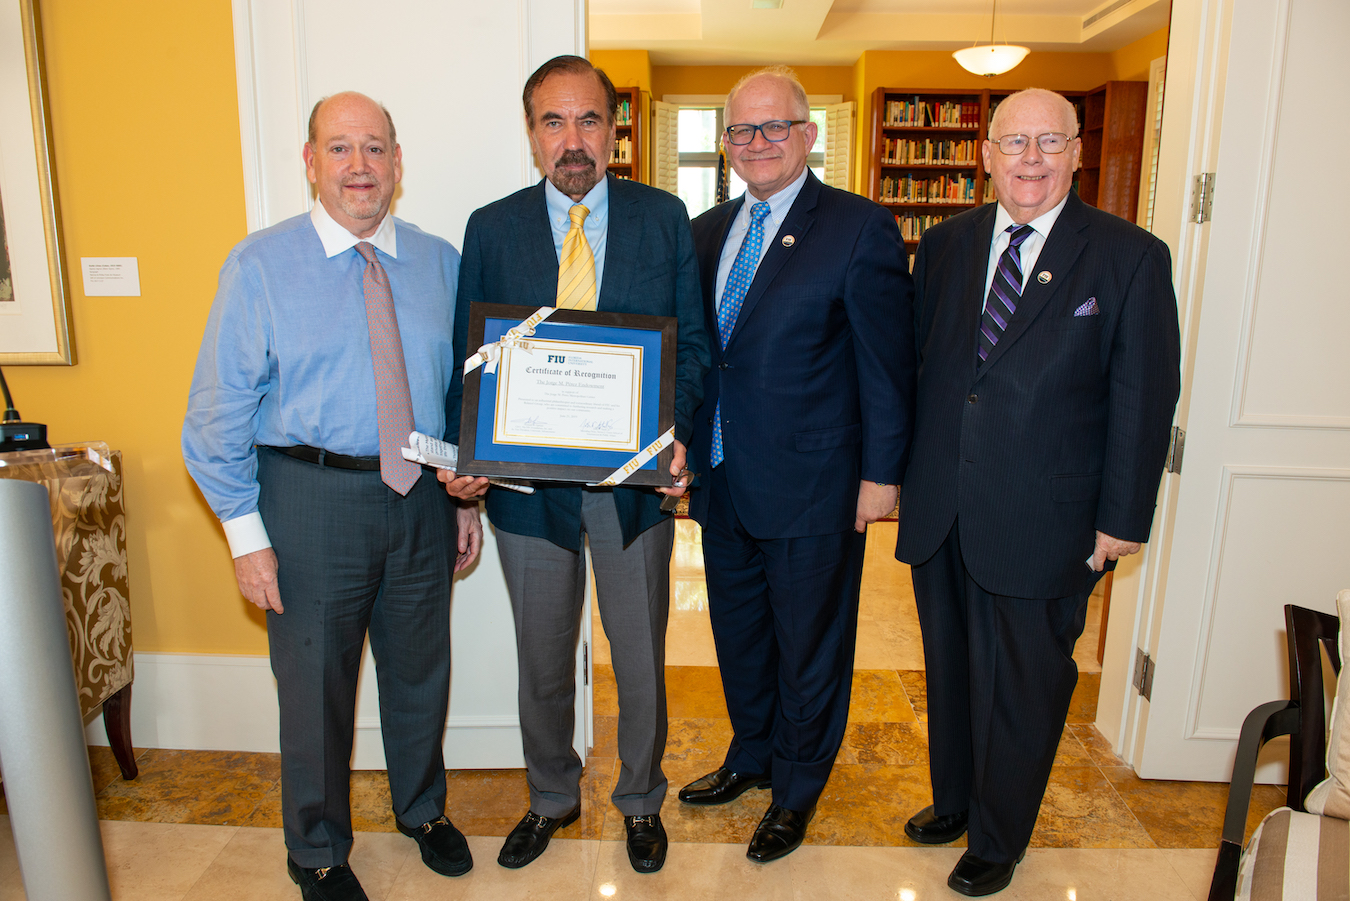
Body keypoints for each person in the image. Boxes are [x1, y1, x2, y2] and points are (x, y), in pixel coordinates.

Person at [183, 91, 481, 901]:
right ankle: (315, 845)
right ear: (311, 162)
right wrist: (247, 537)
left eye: (376, 148)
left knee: (422, 669)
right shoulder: (259, 265)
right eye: (341, 148)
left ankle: (422, 810)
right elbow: (215, 414)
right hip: (305, 502)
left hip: (420, 496)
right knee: (314, 684)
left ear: (397, 164)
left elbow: (461, 392)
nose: (360, 166)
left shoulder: (440, 262)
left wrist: (461, 498)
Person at [895, 87, 1182, 897]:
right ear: (985, 152)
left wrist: (1123, 519)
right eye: (1013, 141)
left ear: (1078, 152)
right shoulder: (946, 244)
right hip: (943, 504)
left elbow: (1144, 394)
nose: (1030, 158)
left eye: (1048, 142)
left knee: (1021, 684)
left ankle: (998, 835)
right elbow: (931, 368)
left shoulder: (1129, 256)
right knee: (949, 668)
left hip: (1046, 517)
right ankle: (955, 800)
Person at [443, 56, 709, 875]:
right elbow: (470, 356)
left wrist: (681, 435)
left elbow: (693, 346)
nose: (573, 140)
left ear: (614, 128)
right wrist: (470, 459)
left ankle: (639, 799)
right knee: (543, 660)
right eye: (553, 122)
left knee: (639, 658)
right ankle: (552, 796)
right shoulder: (491, 227)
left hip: (632, 491)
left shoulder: (664, 218)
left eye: (589, 120)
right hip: (529, 493)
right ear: (531, 134)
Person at [678, 66, 916, 863]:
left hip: (816, 486)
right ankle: (751, 757)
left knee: (809, 646)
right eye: (742, 130)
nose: (758, 143)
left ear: (809, 136)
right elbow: (703, 360)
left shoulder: (857, 226)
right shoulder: (705, 231)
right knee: (741, 636)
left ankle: (797, 788)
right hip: (722, 480)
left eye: (775, 127)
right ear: (726, 144)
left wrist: (882, 476)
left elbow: (886, 363)